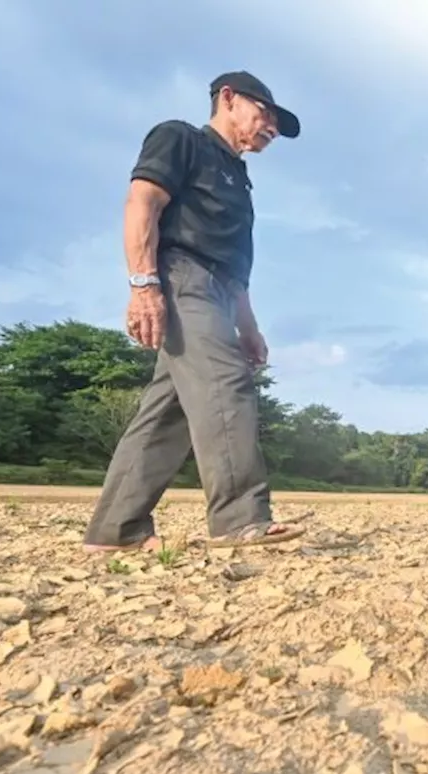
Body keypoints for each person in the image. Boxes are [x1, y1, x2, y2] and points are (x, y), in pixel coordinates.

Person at [82, 71, 308, 552]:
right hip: (183, 276)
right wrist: (143, 285)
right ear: (228, 99)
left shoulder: (239, 179)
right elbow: (142, 201)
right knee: (226, 384)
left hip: (220, 294)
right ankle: (240, 517)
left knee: (172, 412)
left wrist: (247, 325)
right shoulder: (180, 138)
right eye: (264, 112)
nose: (270, 126)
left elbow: (235, 265)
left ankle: (116, 530)